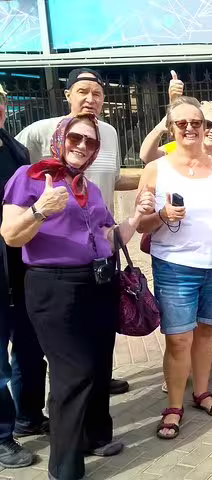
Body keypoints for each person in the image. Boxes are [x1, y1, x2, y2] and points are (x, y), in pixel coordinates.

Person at [1, 113, 155, 479]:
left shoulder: (91, 188)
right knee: (73, 373)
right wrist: (40, 211)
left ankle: (94, 437)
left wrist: (135, 216)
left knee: (100, 364)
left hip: (99, 283)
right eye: (76, 138)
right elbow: (10, 234)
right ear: (60, 138)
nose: (83, 146)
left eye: (90, 141)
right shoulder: (31, 177)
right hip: (53, 287)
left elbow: (109, 238)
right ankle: (64, 466)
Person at [15, 67, 137, 395]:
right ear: (68, 95)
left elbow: (114, 176)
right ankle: (34, 410)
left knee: (100, 326)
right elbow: (18, 175)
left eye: (97, 93)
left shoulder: (109, 133)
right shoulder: (42, 131)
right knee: (50, 340)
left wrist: (154, 177)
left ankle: (99, 381)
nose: (90, 99)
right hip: (52, 254)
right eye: (82, 91)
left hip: (102, 244)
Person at [137, 97, 212, 439]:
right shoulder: (157, 169)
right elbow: (142, 224)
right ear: (171, 128)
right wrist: (162, 216)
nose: (193, 128)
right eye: (183, 123)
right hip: (176, 266)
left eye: (199, 123)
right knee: (179, 339)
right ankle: (174, 405)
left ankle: (202, 392)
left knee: (206, 333)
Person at [145, 75, 212, 358]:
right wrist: (171, 112)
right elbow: (146, 154)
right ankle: (179, 372)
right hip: (177, 262)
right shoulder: (172, 152)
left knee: (211, 321)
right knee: (181, 333)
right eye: (209, 125)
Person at [0, 84, 39, 469]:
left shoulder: (16, 151)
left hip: (22, 269)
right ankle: (1, 436)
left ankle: (29, 416)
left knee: (31, 351)